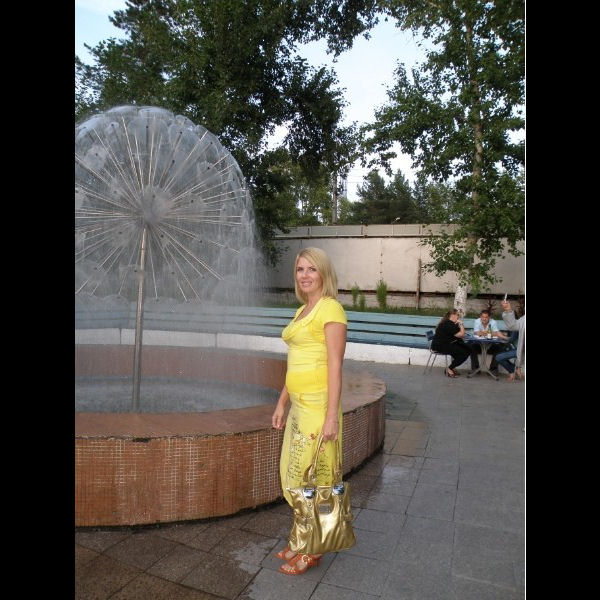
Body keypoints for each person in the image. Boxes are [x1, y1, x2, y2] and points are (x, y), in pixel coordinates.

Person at [271, 247, 348, 576]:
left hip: (318, 408)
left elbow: (335, 365)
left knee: (310, 479)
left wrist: (331, 416)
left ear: (323, 273)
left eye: (311, 269)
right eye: (300, 269)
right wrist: (282, 402)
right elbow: (295, 364)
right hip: (299, 407)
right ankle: (300, 538)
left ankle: (312, 548)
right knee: (293, 475)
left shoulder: (331, 309)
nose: (304, 275)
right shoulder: (303, 310)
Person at [431, 309, 471, 377]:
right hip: (440, 346)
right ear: (452, 315)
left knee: (464, 350)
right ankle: (449, 369)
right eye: (458, 315)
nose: (458, 317)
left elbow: (460, 333)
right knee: (464, 352)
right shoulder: (448, 324)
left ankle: (452, 367)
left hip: (444, 344)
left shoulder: (449, 323)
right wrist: (461, 324)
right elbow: (461, 335)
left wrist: (459, 325)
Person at [468, 309, 510, 374]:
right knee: (470, 346)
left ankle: (493, 369)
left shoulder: (493, 322)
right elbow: (476, 332)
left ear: (489, 317)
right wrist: (489, 333)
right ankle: (475, 368)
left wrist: (483, 333)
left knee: (500, 348)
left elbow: (496, 333)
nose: (484, 319)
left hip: (490, 346)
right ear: (480, 316)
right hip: (480, 345)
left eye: (486, 317)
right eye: (483, 317)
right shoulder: (477, 321)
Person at [497, 300, 525, 381]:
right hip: (520, 351)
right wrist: (508, 310)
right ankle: (514, 369)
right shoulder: (524, 320)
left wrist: (503, 337)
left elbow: (511, 339)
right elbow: (513, 326)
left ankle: (516, 368)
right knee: (499, 356)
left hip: (517, 350)